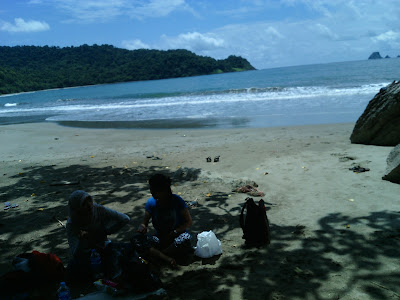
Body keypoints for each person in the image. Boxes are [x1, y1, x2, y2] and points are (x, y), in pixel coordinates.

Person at [66, 190, 130, 281]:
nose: (89, 205)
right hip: (87, 255)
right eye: (84, 204)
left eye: (90, 201)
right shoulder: (72, 224)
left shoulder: (98, 210)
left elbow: (125, 218)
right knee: (72, 270)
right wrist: (81, 240)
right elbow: (75, 253)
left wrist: (106, 231)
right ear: (77, 208)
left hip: (104, 246)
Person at [137, 174, 193, 266]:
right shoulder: (151, 203)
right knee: (137, 239)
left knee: (186, 239)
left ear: (164, 190)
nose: (152, 192)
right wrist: (142, 227)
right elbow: (144, 223)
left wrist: (175, 231)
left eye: (155, 190)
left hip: (176, 237)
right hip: (160, 238)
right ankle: (166, 257)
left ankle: (160, 254)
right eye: (151, 189)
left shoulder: (177, 201)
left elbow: (189, 222)